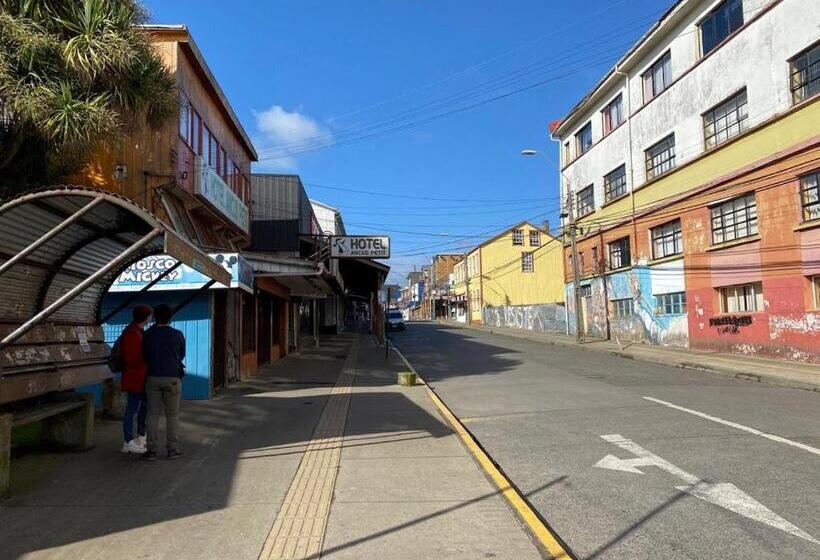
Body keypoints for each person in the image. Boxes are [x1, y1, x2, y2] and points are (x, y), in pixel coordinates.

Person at [141, 304, 186, 461]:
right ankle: (172, 450)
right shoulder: (177, 334)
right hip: (173, 378)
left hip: (152, 377)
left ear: (154, 316)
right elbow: (181, 354)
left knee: (152, 414)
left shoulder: (147, 335)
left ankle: (151, 450)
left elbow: (144, 355)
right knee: (172, 415)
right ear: (170, 317)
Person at [119, 305, 152, 454]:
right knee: (132, 410)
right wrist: (147, 358)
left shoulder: (135, 331)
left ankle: (137, 438)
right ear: (146, 317)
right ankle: (128, 440)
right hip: (135, 377)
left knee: (138, 408)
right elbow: (133, 358)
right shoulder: (133, 333)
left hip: (137, 377)